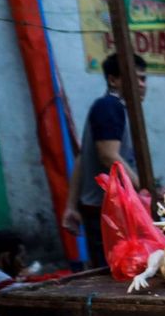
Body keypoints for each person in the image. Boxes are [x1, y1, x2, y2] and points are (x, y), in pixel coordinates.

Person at [63, 53, 150, 268]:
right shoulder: (110, 106)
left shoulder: (117, 109)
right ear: (113, 80)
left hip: (99, 209)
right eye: (134, 78)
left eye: (143, 78)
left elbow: (83, 159)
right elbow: (108, 155)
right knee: (114, 275)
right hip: (107, 215)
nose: (141, 84)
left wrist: (71, 206)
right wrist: (147, 189)